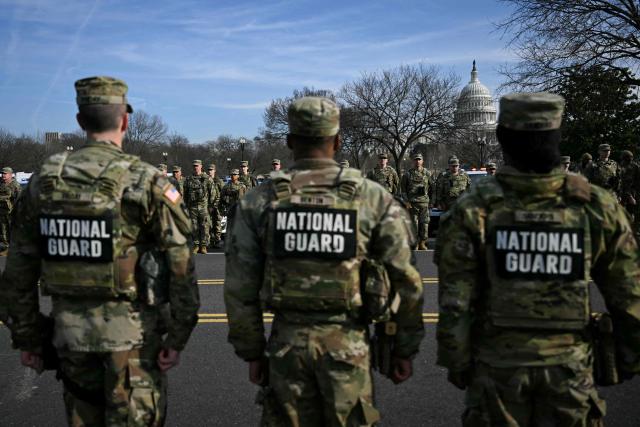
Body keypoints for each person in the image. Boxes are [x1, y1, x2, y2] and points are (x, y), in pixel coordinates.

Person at [0, 76, 200, 426]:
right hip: (133, 340)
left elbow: (18, 273)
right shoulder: (147, 180)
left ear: (80, 121)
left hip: (71, 338)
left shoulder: (45, 180)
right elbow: (182, 265)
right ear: (125, 120)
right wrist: (177, 337)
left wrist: (28, 339)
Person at [436, 92, 640, 426]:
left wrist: (456, 361)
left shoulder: (475, 206)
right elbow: (629, 292)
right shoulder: (594, 204)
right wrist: (629, 356)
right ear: (557, 138)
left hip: (497, 368)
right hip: (570, 368)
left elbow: (456, 296)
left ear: (501, 138)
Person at [224, 96, 424, 426]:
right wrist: (404, 348)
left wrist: (251, 351)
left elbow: (239, 286)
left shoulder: (260, 199)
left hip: (286, 349)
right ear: (338, 141)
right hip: (349, 348)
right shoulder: (370, 196)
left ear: (289, 142)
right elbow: (406, 278)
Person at [401, 153, 433, 250]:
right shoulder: (407, 174)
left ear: (422, 161)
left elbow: (433, 188)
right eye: (416, 160)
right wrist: (406, 201)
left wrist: (432, 201)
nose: (417, 161)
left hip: (424, 204)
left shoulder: (427, 173)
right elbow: (403, 190)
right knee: (414, 225)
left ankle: (422, 243)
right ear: (413, 161)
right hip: (412, 204)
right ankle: (414, 244)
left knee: (424, 224)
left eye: (419, 159)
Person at [184, 159, 215, 254]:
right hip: (192, 207)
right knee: (194, 226)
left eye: (197, 166)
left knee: (204, 226)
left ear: (201, 166)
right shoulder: (189, 179)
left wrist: (210, 205)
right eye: (194, 166)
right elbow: (185, 193)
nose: (195, 167)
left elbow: (212, 192)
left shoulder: (207, 178)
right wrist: (186, 205)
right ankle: (196, 245)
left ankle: (204, 246)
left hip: (203, 206)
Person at [0, 167, 21, 255]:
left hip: (11, 213)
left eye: (5, 173)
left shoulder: (15, 185)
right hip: (2, 212)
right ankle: (6, 247)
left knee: (12, 230)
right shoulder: (1, 183)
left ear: (11, 174)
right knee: (3, 230)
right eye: (2, 173)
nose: (3, 175)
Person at [619, 150, 640, 236]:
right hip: (622, 192)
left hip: (632, 193)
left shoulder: (635, 166)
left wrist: (633, 195)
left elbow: (638, 182)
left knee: (632, 212)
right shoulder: (620, 166)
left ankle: (633, 230)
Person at [207, 164, 224, 248]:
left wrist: (218, 203)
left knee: (217, 222)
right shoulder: (206, 180)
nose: (210, 171)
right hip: (208, 205)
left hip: (217, 205)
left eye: (211, 170)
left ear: (214, 171)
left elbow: (223, 193)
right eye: (209, 170)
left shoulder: (219, 181)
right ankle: (210, 240)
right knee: (209, 223)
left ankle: (217, 240)